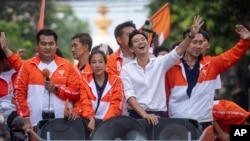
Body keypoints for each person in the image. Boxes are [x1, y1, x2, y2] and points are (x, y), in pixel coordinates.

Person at [120, 15, 204, 125]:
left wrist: (191, 35)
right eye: (136, 41)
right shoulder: (126, 69)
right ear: (131, 48)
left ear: (147, 43)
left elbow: (177, 51)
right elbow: (130, 97)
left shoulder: (160, 63)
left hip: (158, 115)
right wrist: (145, 115)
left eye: (143, 39)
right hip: (136, 116)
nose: (141, 42)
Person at [166, 24, 250, 131]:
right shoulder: (171, 66)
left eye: (201, 42)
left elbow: (231, 56)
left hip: (203, 122)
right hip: (176, 122)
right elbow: (165, 94)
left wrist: (245, 41)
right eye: (194, 42)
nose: (198, 46)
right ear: (185, 43)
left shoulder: (211, 64)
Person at [14, 29, 82, 130]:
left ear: (56, 45)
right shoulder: (27, 66)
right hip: (34, 123)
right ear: (37, 45)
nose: (47, 47)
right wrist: (26, 119)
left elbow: (77, 93)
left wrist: (57, 89)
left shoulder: (67, 65)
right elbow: (19, 93)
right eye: (43, 44)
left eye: (51, 44)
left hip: (62, 123)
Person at [73, 50, 124, 134]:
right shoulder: (84, 80)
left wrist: (103, 126)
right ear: (90, 65)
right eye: (94, 62)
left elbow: (116, 105)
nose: (97, 65)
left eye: (100, 62)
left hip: (110, 123)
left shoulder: (116, 80)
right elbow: (84, 102)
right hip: (89, 122)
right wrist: (91, 118)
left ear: (105, 64)